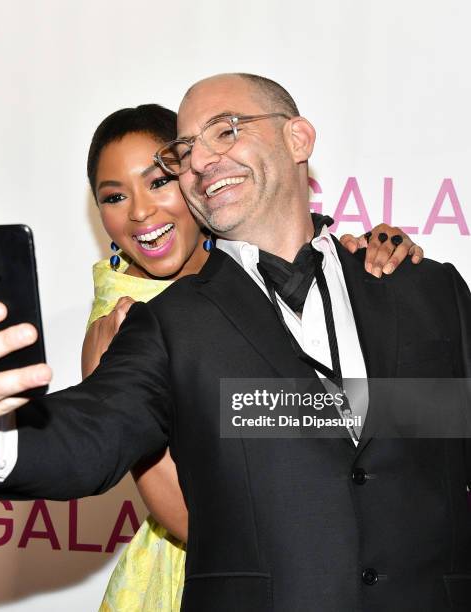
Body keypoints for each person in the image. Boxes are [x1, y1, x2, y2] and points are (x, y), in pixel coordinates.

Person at [0, 74, 471, 611]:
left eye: (226, 129)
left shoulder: (427, 288)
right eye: (184, 151)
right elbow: (91, 431)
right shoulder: (165, 325)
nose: (201, 161)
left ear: (297, 138)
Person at [81, 104, 421, 611]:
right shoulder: (118, 328)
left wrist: (371, 264)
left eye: (158, 182)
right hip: (221, 575)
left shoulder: (261, 267)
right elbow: (180, 511)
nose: (139, 213)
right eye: (114, 196)